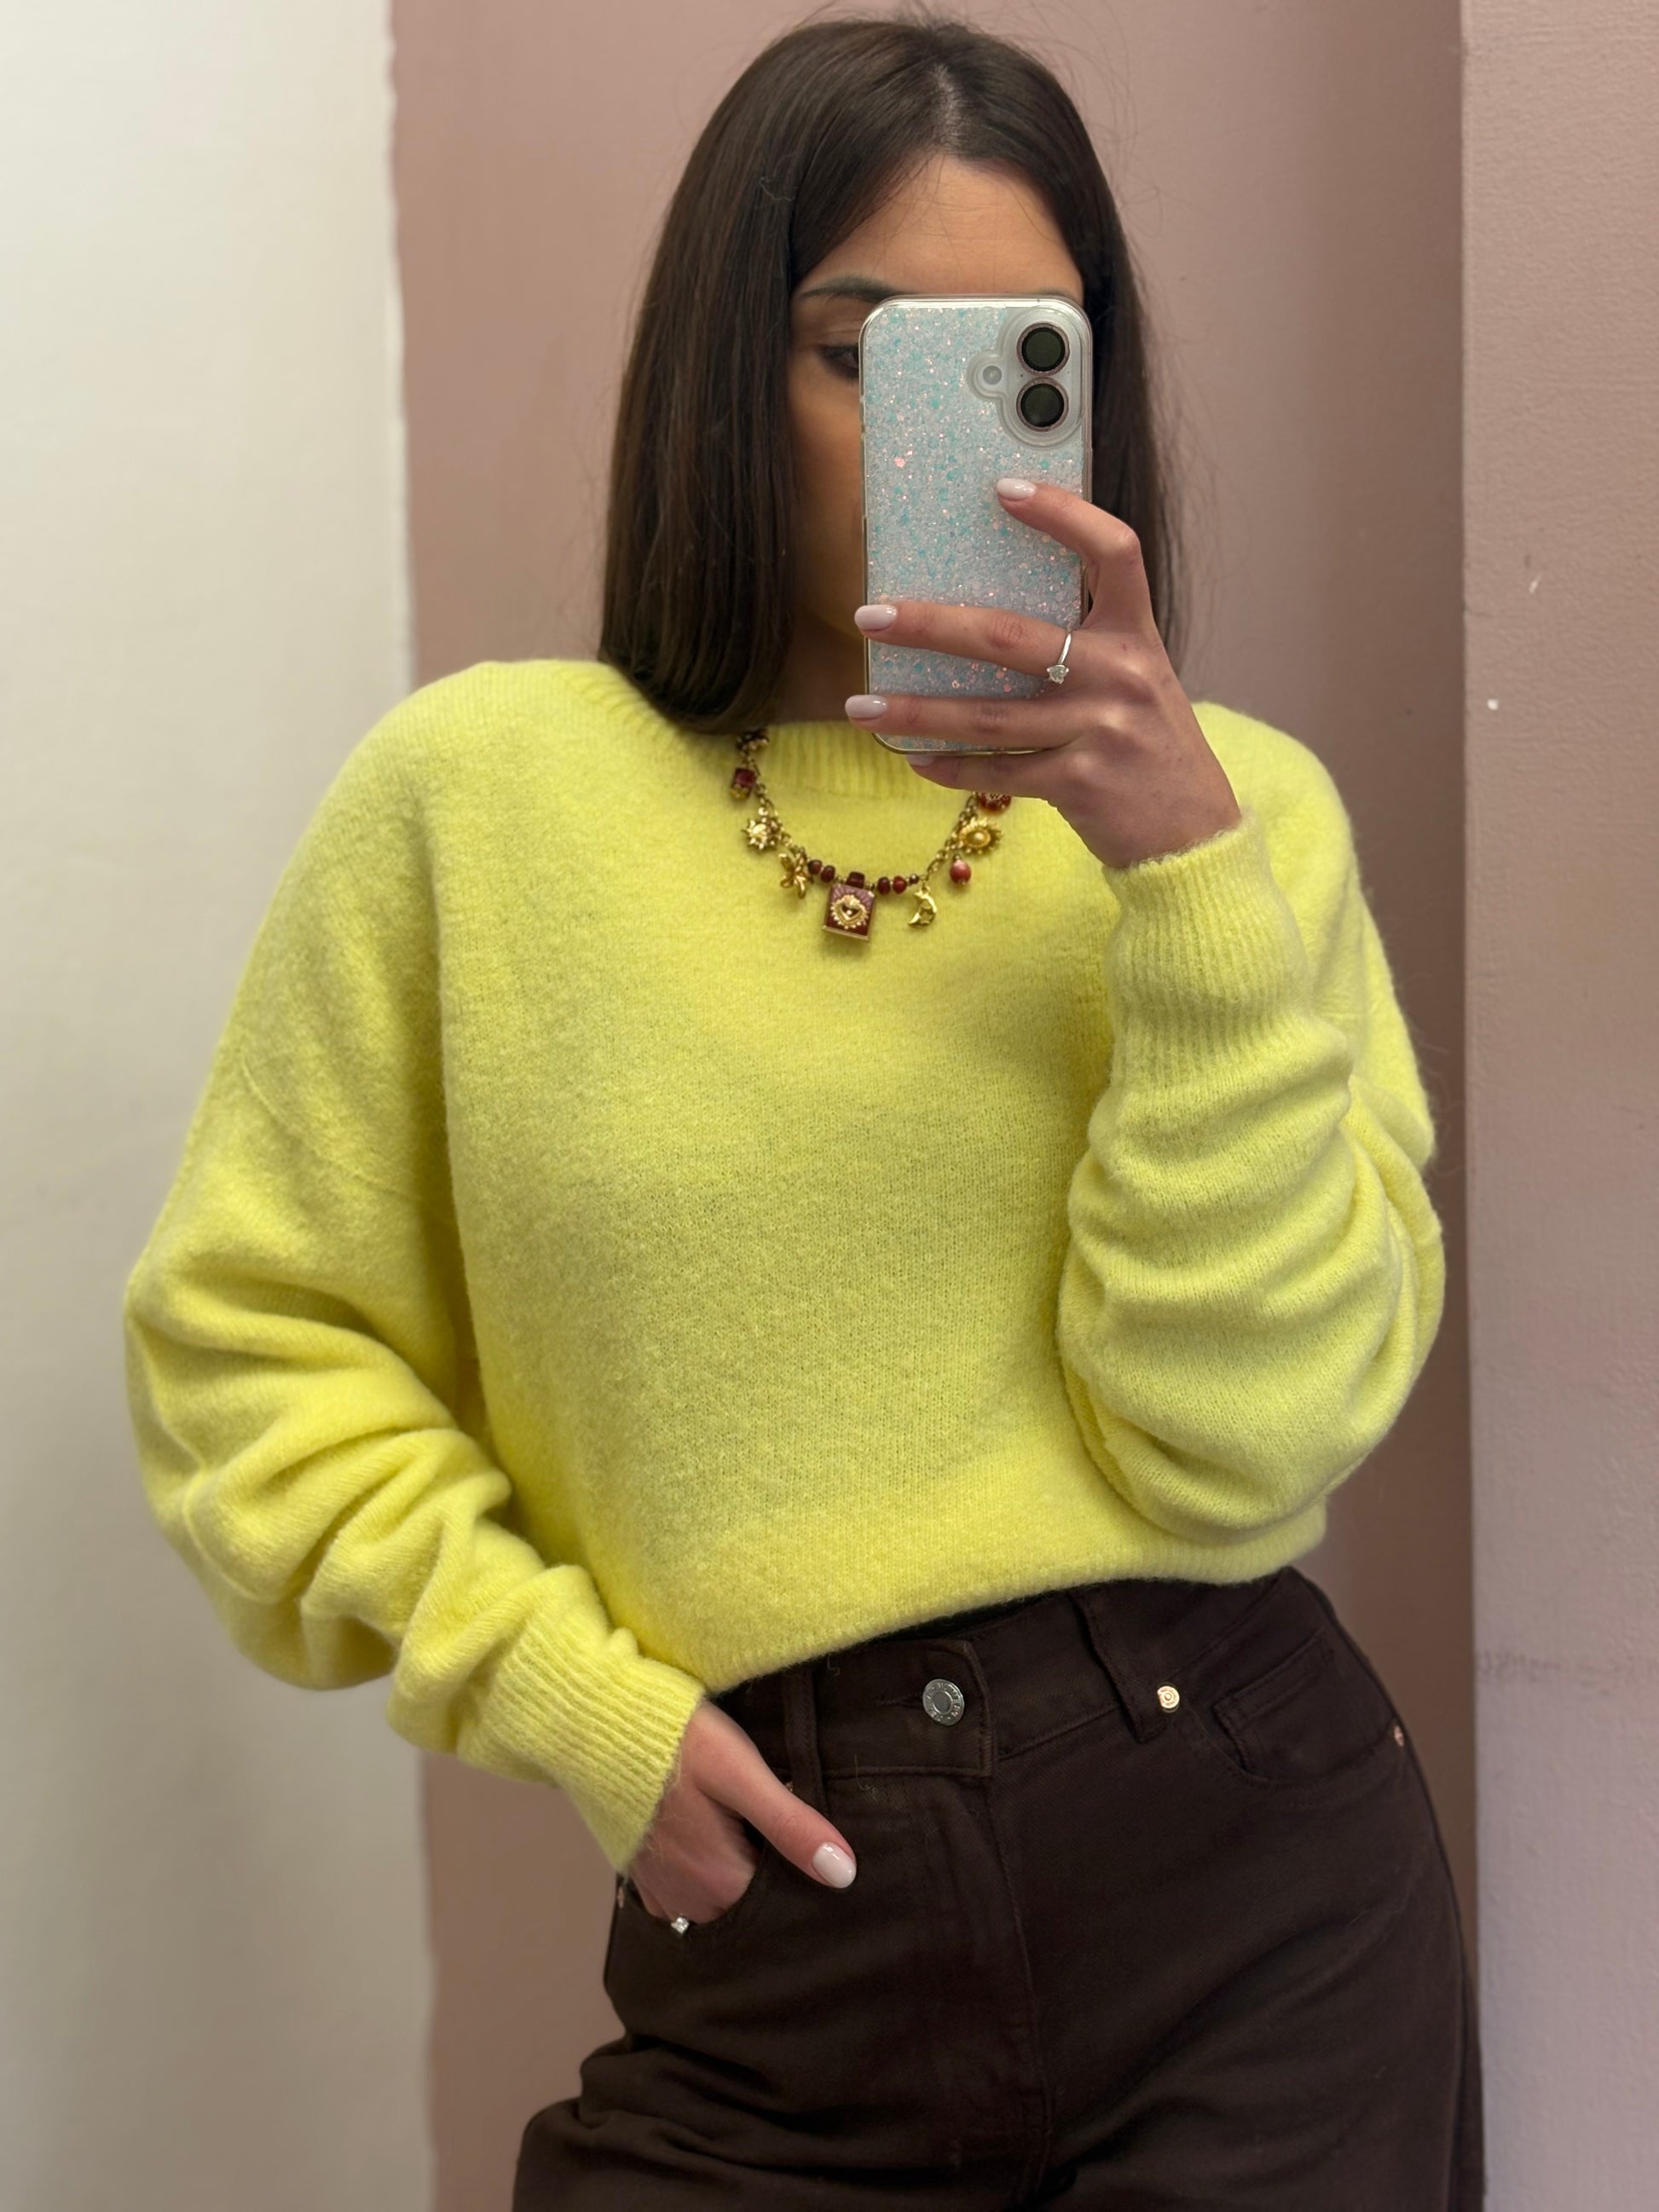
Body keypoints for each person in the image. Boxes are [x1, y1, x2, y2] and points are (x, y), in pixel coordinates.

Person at [121, 12, 1483, 2208]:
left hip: (1249, 1888)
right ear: (724, 369)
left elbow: (1244, 1444)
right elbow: (244, 1356)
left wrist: (1184, 891)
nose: (967, 445)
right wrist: (568, 1697)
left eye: (1023, 360)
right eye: (867, 353)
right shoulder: (479, 800)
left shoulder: (1243, 825)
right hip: (777, 1945)